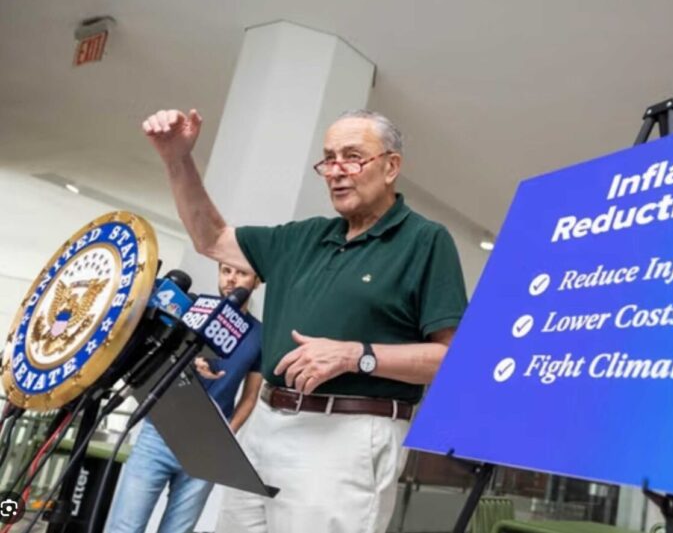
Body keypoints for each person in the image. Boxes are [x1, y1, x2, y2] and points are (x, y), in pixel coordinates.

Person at [140, 108, 468, 533]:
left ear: (391, 166)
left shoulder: (425, 240)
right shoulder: (303, 237)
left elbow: (452, 359)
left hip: (347, 436)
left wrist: (357, 356)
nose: (336, 171)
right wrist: (177, 158)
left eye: (352, 157)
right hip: (268, 426)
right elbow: (211, 238)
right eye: (329, 159)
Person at [106, 263, 263, 533]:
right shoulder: (196, 307)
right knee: (125, 527)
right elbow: (159, 355)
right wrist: (191, 361)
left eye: (241, 273)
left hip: (208, 447)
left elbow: (250, 398)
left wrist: (226, 434)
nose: (231, 279)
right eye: (225, 271)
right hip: (161, 432)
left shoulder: (261, 335)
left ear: (257, 281)